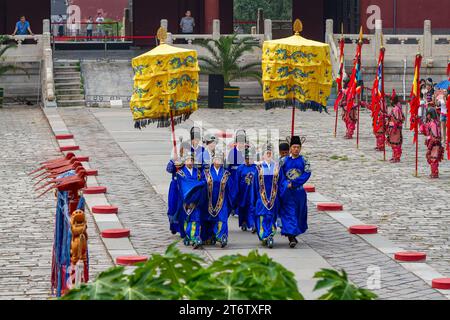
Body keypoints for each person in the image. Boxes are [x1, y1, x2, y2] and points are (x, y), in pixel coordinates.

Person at [279, 136, 311, 248]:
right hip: (287, 192)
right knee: (289, 213)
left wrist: (295, 183)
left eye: (298, 147)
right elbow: (279, 174)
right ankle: (291, 237)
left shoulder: (304, 160)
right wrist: (285, 184)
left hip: (299, 192)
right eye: (294, 147)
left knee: (299, 213)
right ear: (290, 149)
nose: (296, 149)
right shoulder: (283, 161)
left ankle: (293, 233)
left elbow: (307, 174)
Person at [251, 143, 285, 248]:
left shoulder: (277, 168)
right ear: (263, 156)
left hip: (274, 198)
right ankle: (264, 235)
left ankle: (270, 234)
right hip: (261, 198)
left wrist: (282, 195)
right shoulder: (258, 168)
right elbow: (255, 185)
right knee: (262, 216)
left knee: (271, 217)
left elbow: (281, 182)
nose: (269, 154)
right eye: (267, 153)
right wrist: (254, 199)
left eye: (270, 153)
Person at [201, 151, 235, 247]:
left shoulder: (226, 174)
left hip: (222, 200)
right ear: (213, 161)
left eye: (220, 159)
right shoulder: (206, 173)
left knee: (222, 218)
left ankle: (222, 236)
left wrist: (231, 201)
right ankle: (209, 236)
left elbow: (231, 188)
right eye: (216, 159)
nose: (218, 161)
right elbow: (202, 185)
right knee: (208, 219)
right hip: (209, 200)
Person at [176, 152, 206, 248]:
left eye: (191, 160)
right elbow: (185, 185)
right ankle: (188, 236)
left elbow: (202, 182)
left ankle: (195, 237)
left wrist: (200, 185)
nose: (190, 162)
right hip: (186, 200)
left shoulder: (198, 172)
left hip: (196, 200)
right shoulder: (180, 173)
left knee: (196, 219)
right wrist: (198, 184)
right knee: (186, 219)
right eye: (188, 160)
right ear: (184, 161)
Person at [236, 145, 257, 232]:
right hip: (243, 191)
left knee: (252, 206)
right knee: (243, 206)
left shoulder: (256, 167)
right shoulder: (240, 168)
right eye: (247, 159)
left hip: (253, 191)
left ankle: (253, 224)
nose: (249, 160)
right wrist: (236, 192)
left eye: (251, 158)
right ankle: (243, 222)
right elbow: (237, 180)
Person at [420, 108, 444, 178]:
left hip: (434, 143)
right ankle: (433, 172)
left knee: (433, 158)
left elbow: (435, 135)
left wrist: (429, 139)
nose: (427, 116)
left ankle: (435, 173)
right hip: (433, 143)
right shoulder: (433, 122)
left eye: (428, 114)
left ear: (430, 115)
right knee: (432, 158)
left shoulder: (433, 124)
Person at [386, 94, 405, 163]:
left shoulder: (396, 109)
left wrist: (394, 127)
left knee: (396, 143)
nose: (390, 101)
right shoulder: (395, 108)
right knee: (393, 143)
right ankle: (394, 156)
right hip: (392, 127)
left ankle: (397, 157)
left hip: (395, 128)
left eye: (391, 100)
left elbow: (398, 120)